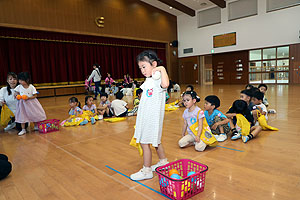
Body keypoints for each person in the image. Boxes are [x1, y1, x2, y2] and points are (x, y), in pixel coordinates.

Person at [130, 50, 169, 181]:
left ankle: (147, 170)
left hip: (151, 118)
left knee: (145, 143)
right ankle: (164, 162)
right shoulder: (149, 79)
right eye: (140, 67)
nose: (142, 70)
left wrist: (162, 69)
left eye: (144, 66)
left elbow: (166, 84)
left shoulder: (158, 77)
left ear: (154, 64)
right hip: (145, 116)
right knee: (156, 141)